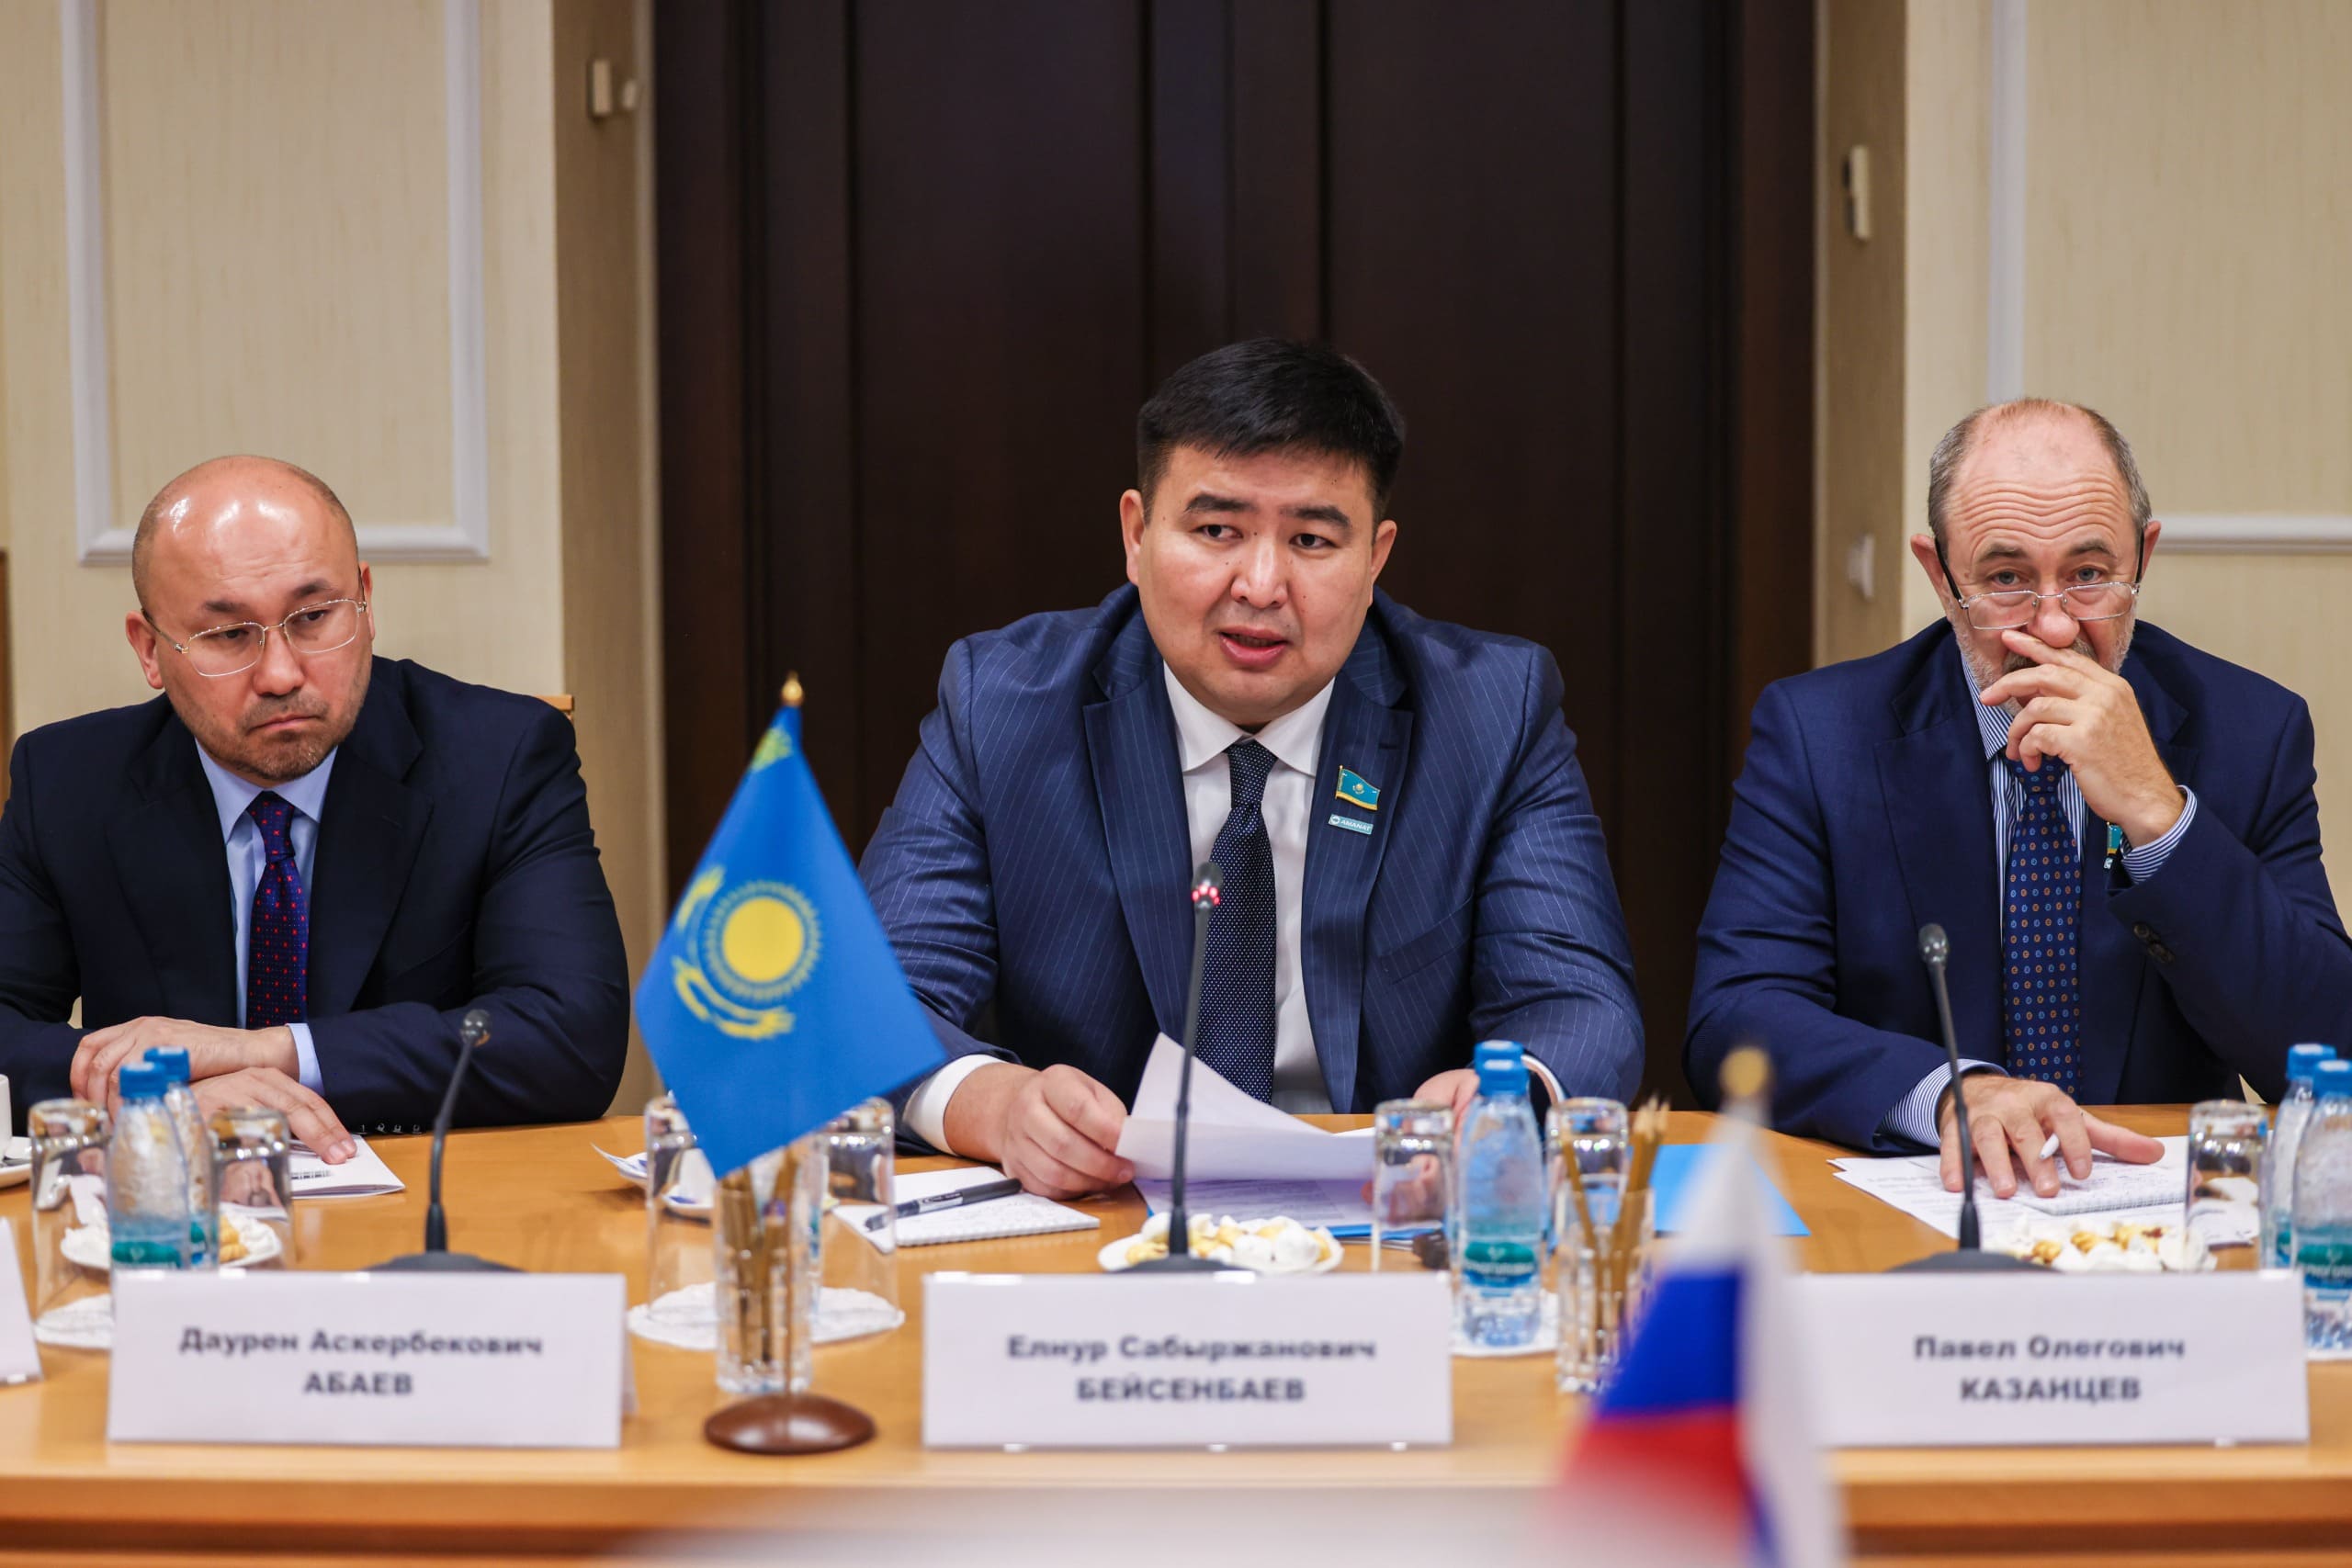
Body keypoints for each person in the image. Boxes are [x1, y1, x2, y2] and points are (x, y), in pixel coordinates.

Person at [861, 339, 1642, 1197]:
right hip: (1107, 1222)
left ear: (1375, 558)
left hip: (1386, 1219)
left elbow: (1580, 1007)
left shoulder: (1489, 715)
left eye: (1311, 538)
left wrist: (1506, 1101)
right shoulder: (1004, 706)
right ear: (1136, 534)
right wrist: (995, 1105)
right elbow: (871, 1004)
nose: (1261, 585)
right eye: (1216, 531)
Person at [1688, 399, 2352, 1198]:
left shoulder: (2251, 732)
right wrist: (1949, 1092)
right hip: (1927, 1204)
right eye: (2006, 579)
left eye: (2089, 575)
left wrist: (2159, 817)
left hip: (2156, 1215)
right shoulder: (1821, 736)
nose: (2055, 627)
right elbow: (1736, 1018)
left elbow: (2327, 1049)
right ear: (1941, 576)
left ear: (2142, 558)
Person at [0, 456, 629, 1156]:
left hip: (423, 1196)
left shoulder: (500, 758)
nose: (281, 674)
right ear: (150, 649)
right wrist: (156, 1093)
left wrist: (269, 1054)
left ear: (365, 601)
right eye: (229, 635)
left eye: (313, 617)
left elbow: (572, 1034)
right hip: (173, 1206)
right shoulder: (67, 782)